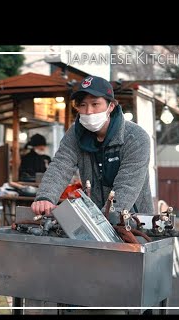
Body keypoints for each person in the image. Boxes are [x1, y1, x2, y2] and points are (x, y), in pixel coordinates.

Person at [31, 75, 153, 217]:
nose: (88, 111)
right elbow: (60, 166)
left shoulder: (136, 137)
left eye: (95, 104)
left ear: (111, 106)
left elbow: (127, 186)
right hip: (95, 218)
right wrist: (45, 197)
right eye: (82, 105)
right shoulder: (75, 134)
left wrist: (106, 217)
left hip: (133, 221)